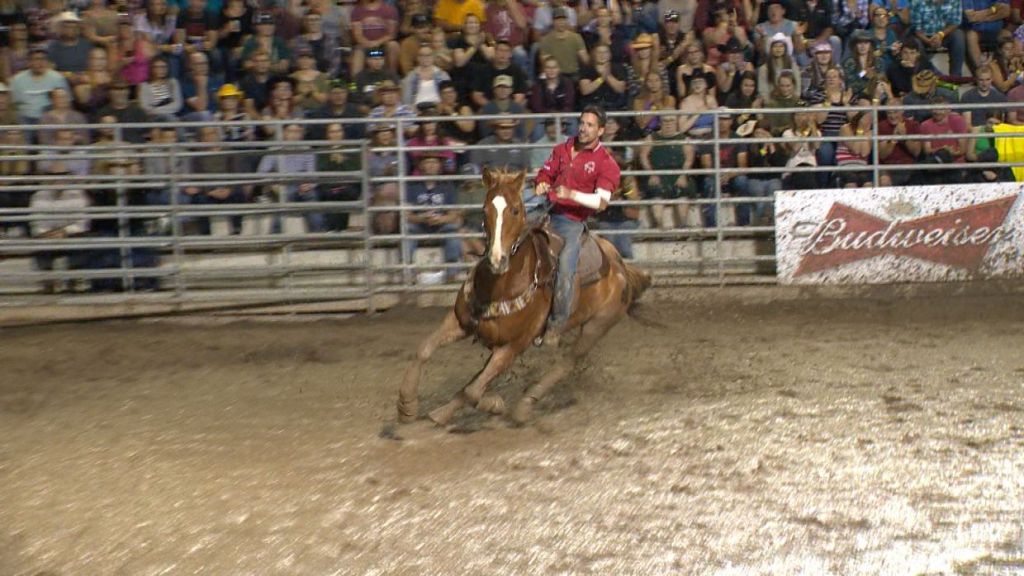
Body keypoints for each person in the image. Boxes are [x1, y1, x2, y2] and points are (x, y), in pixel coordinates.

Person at [531, 104, 621, 347]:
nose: (583, 128)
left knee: (565, 268)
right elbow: (546, 172)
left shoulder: (606, 164)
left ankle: (556, 324)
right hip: (546, 210)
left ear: (601, 130)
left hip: (571, 222)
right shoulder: (562, 148)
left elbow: (601, 202)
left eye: (590, 125)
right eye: (582, 123)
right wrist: (541, 182)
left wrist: (570, 194)